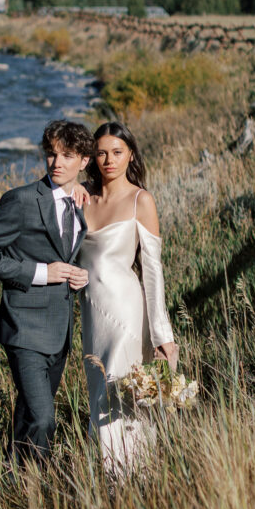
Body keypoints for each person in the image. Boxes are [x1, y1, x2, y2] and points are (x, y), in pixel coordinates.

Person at [0, 119, 94, 464]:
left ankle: (12, 485)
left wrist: (79, 275)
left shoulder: (82, 200)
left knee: (26, 418)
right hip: (23, 328)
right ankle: (35, 491)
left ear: (83, 161)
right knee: (43, 419)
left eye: (67, 155)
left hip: (60, 331)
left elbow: (76, 249)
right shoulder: (21, 200)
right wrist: (41, 273)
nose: (57, 162)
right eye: (51, 154)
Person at [78, 121, 177, 470]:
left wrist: (162, 333)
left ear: (130, 154)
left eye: (117, 152)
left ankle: (124, 475)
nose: (109, 159)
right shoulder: (82, 196)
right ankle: (118, 475)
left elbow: (153, 270)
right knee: (99, 392)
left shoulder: (141, 200)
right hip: (92, 315)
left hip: (126, 312)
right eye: (102, 152)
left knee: (120, 391)